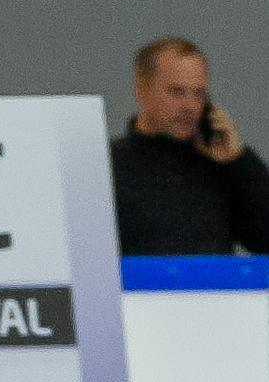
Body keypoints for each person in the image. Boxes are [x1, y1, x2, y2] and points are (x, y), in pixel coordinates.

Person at [110, 36, 269, 256]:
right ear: (141, 88)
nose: (190, 106)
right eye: (176, 92)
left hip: (212, 290)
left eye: (198, 93)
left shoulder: (223, 169)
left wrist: (239, 162)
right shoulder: (108, 167)